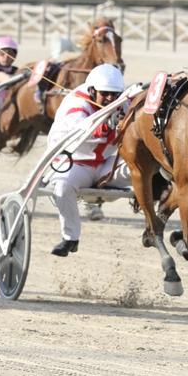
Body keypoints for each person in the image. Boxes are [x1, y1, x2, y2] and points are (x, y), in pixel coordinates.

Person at [46, 63, 129, 257]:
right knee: (62, 187)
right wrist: (110, 125)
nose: (110, 99)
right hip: (75, 164)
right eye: (105, 94)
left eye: (114, 94)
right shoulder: (76, 103)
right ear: (92, 90)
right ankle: (70, 238)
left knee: (145, 168)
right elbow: (82, 130)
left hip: (106, 163)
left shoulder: (121, 101)